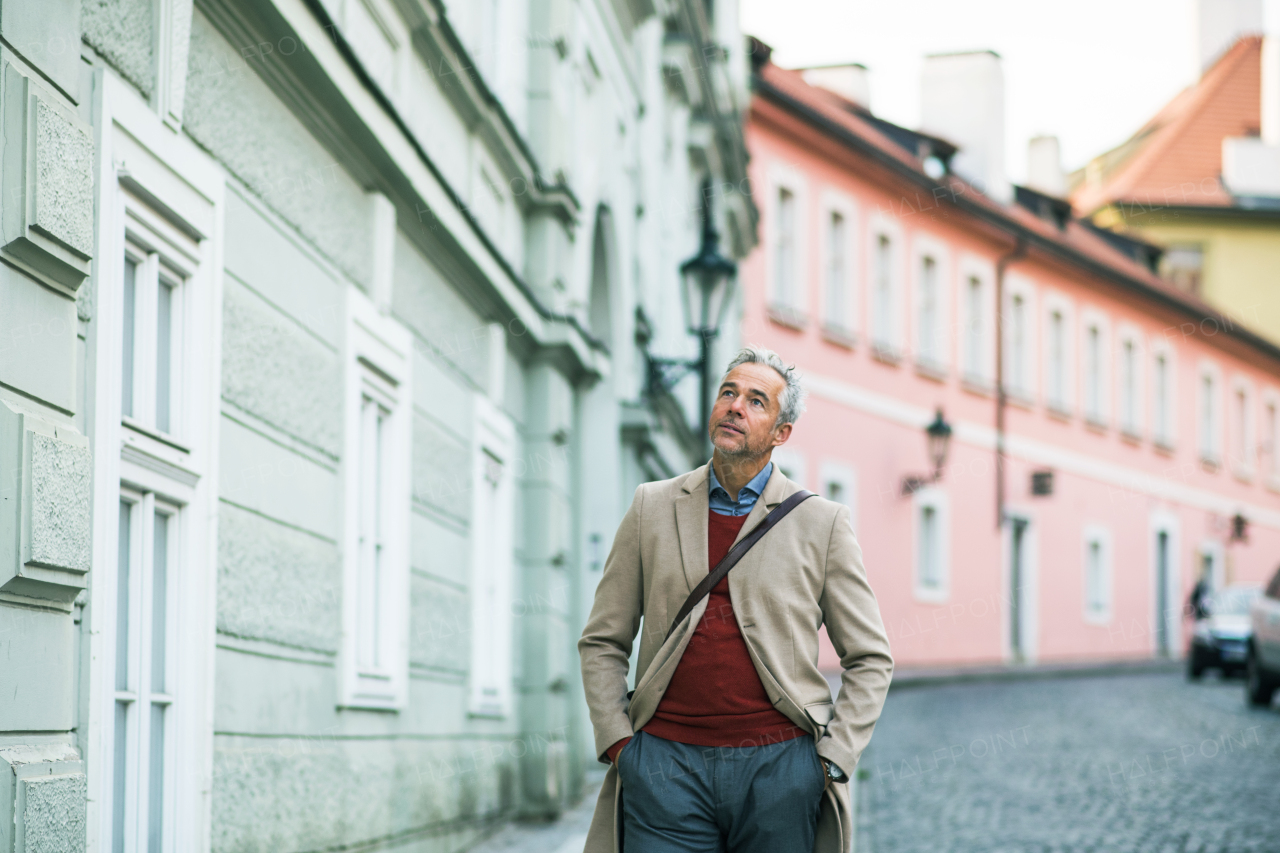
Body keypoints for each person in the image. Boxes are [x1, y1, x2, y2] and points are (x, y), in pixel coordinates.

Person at [578, 346, 893, 853]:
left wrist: (831, 759)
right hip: (664, 766)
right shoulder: (650, 507)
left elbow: (870, 657)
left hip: (780, 769)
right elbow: (602, 639)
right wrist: (619, 741)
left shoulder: (821, 523)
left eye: (755, 401)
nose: (734, 407)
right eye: (728, 392)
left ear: (780, 433)